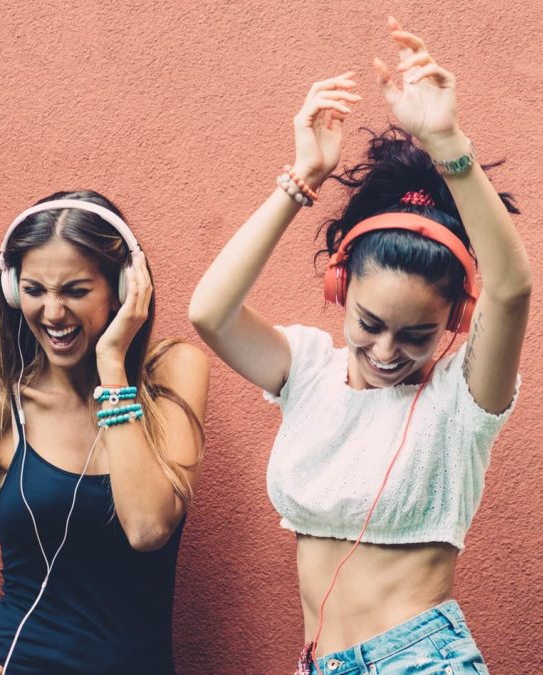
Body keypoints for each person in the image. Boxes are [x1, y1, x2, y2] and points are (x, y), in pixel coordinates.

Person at [188, 17, 528, 674]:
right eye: (369, 322)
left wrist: (449, 144)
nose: (387, 349)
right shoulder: (308, 368)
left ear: (456, 320)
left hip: (421, 662)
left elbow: (512, 289)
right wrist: (301, 178)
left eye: (417, 334)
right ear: (340, 286)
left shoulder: (460, 398)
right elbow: (210, 311)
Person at [0, 191, 208, 674]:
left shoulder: (174, 372)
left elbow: (148, 526)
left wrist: (111, 365)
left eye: (75, 291)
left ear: (123, 287)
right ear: (11, 290)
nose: (52, 313)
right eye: (33, 290)